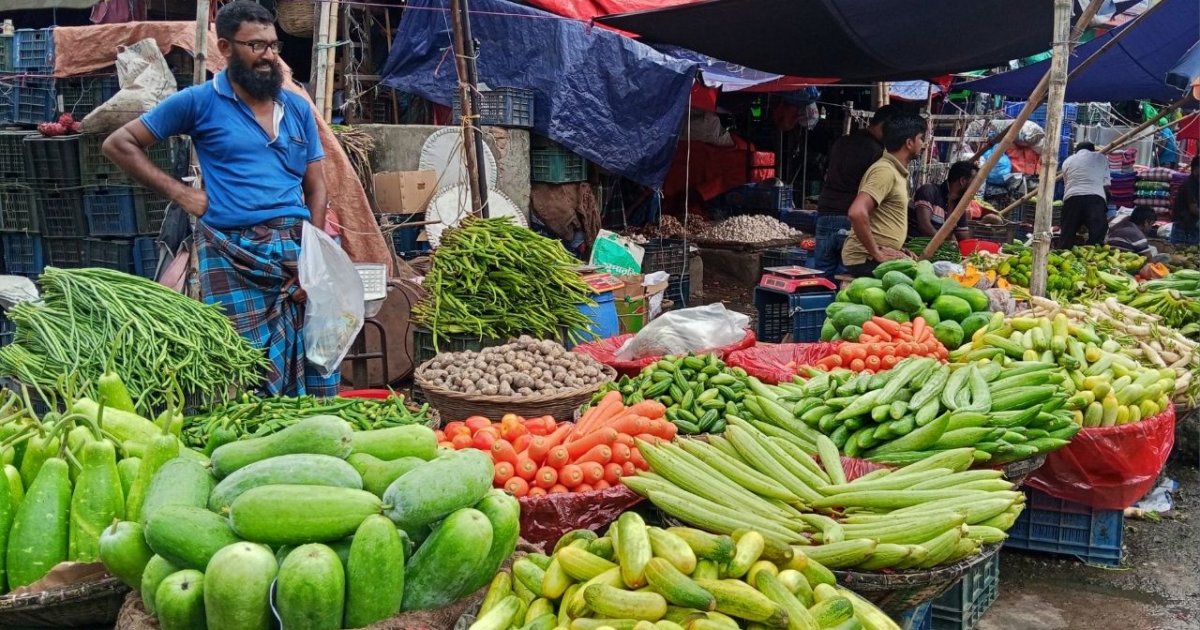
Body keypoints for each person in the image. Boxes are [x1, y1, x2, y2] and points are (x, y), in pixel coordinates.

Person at [102, 1, 337, 396]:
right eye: (256, 46)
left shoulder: (296, 107)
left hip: (294, 249)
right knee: (244, 368)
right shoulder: (198, 102)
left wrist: (312, 254)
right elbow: (119, 143)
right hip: (231, 251)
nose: (269, 57)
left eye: (274, 46)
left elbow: (317, 186)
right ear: (225, 48)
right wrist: (181, 193)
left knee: (316, 356)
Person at [812, 104, 898, 278]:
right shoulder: (876, 153)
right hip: (849, 218)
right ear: (885, 126)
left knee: (822, 276)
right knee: (848, 280)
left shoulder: (842, 141)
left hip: (825, 214)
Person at [841, 114, 928, 277]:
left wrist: (897, 250)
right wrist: (877, 253)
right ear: (909, 143)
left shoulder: (895, 171)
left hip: (874, 256)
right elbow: (856, 212)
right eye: (921, 139)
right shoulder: (885, 171)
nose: (924, 144)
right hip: (865, 259)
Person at [1058, 142, 1111, 248]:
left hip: (1071, 199)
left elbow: (1067, 182)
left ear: (1076, 151)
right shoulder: (1100, 158)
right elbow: (1106, 185)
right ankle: (1093, 257)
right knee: (1097, 234)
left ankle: (1063, 253)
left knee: (1067, 233)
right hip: (1095, 199)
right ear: (1092, 150)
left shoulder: (1067, 161)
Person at [909, 160, 976, 240]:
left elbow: (964, 237)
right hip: (912, 247)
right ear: (963, 181)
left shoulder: (959, 205)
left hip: (935, 249)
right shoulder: (928, 191)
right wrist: (946, 243)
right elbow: (925, 227)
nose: (976, 188)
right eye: (975, 183)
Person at [1171, 154, 1199, 245]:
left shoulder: (1196, 182)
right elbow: (1193, 208)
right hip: (1184, 225)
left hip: (1191, 224)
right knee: (1181, 252)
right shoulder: (1189, 184)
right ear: (1196, 168)